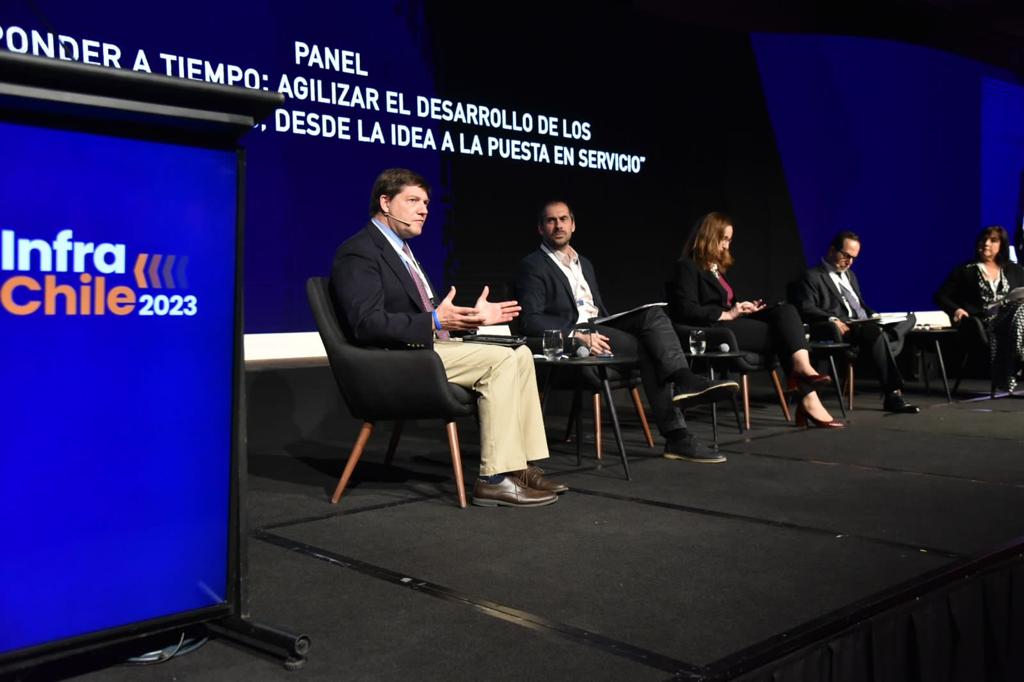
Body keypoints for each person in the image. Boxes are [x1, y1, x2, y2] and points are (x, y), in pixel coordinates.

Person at [330, 168, 566, 508]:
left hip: (426, 349)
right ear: (385, 202)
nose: (424, 209)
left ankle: (520, 466)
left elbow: (430, 319)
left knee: (520, 353)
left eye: (426, 202)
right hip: (391, 360)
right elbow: (367, 324)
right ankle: (494, 478)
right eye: (413, 201)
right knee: (500, 362)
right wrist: (436, 319)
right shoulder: (360, 251)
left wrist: (469, 320)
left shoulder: (403, 251)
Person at [515, 200, 739, 463]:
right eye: (551, 221)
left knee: (654, 314)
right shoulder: (533, 265)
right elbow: (531, 320)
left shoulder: (583, 263)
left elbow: (597, 308)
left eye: (563, 219)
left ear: (573, 225)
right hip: (578, 335)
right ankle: (678, 430)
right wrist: (574, 335)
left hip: (601, 325)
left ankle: (682, 386)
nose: (558, 225)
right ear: (540, 228)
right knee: (651, 349)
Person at [669, 212, 843, 428]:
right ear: (708, 236)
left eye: (729, 240)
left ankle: (803, 370)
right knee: (782, 335)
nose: (726, 246)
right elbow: (685, 309)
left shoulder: (715, 269)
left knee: (786, 310)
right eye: (723, 239)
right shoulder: (686, 266)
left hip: (732, 322)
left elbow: (724, 302)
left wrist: (743, 307)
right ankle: (808, 397)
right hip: (715, 329)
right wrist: (728, 314)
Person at [794, 230, 919, 414]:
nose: (850, 262)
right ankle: (893, 395)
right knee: (874, 332)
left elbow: (860, 305)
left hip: (866, 324)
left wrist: (875, 315)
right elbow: (805, 307)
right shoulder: (812, 276)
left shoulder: (850, 276)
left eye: (854, 258)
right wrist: (832, 319)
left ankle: (887, 334)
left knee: (910, 317)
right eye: (846, 255)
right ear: (831, 250)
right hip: (845, 328)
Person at [934, 225, 1024, 393]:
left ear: (1002, 245)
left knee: (1019, 310)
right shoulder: (965, 270)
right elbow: (940, 296)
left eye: (993, 240)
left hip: (1013, 322)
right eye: (984, 240)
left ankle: (1020, 353)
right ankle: (1020, 355)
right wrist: (957, 310)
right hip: (981, 323)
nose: (986, 244)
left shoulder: (1016, 270)